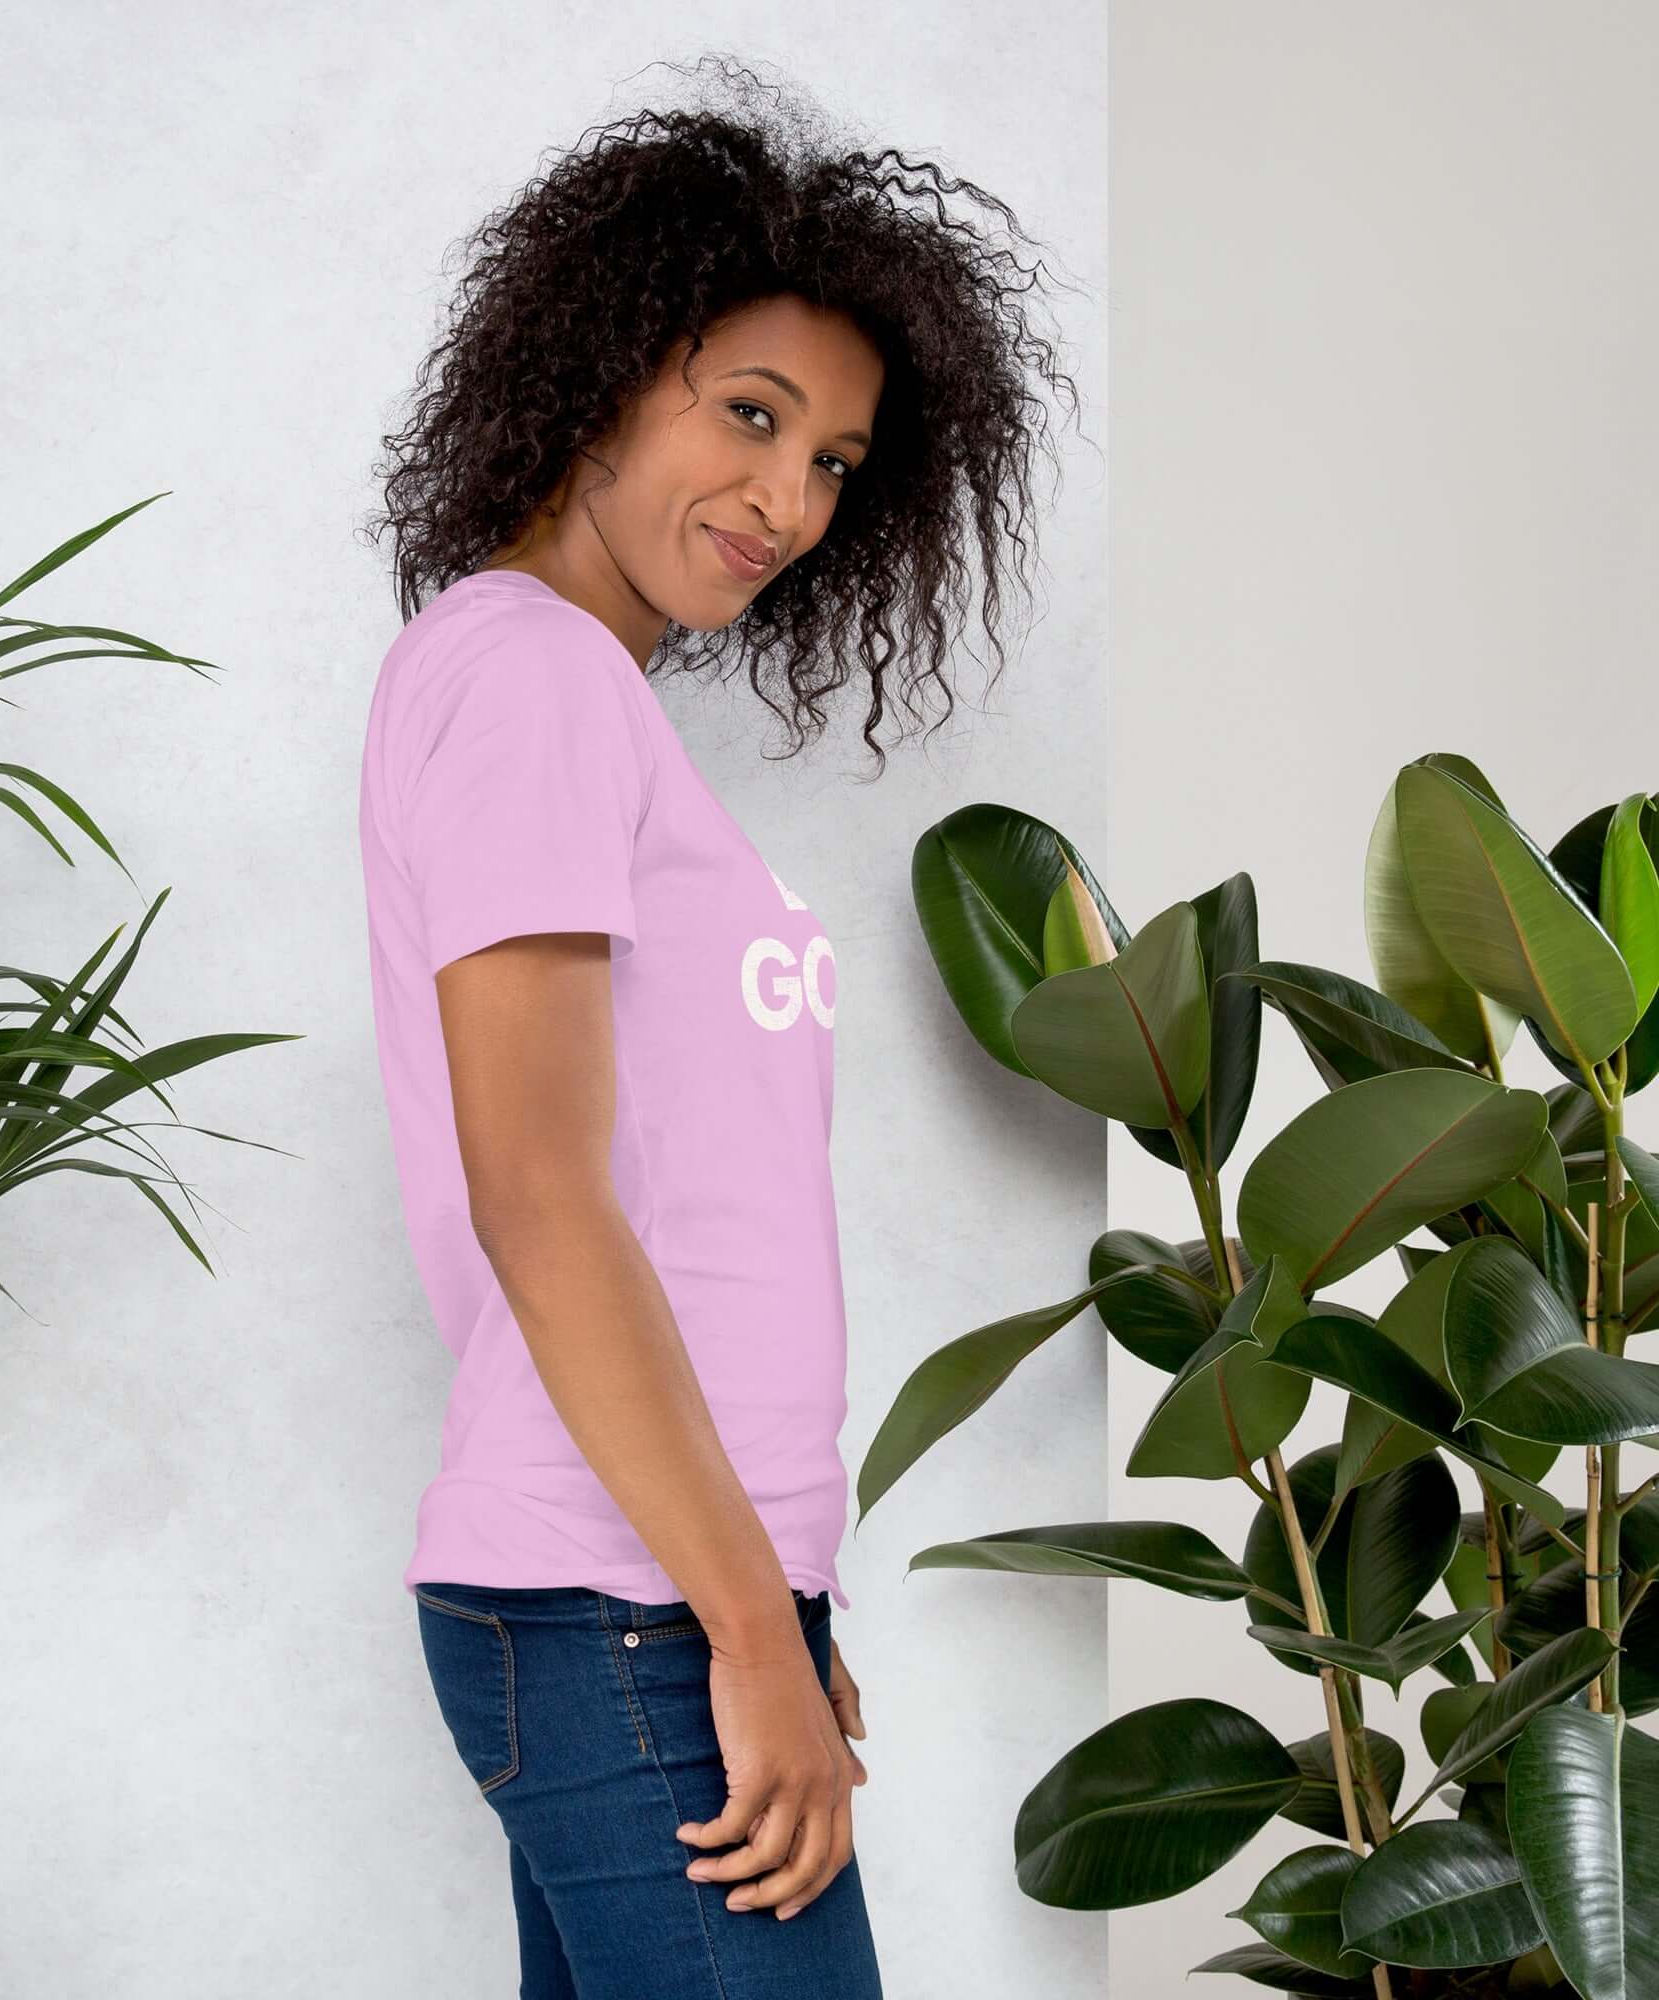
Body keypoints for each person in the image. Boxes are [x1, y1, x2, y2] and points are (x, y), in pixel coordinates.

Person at [357, 57, 1078, 1996]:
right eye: (747, 415)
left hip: (652, 1587)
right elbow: (543, 1194)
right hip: (615, 1601)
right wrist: (741, 1632)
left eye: (834, 460)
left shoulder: (562, 692)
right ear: (599, 364)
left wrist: (766, 1595)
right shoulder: (528, 683)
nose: (783, 499)